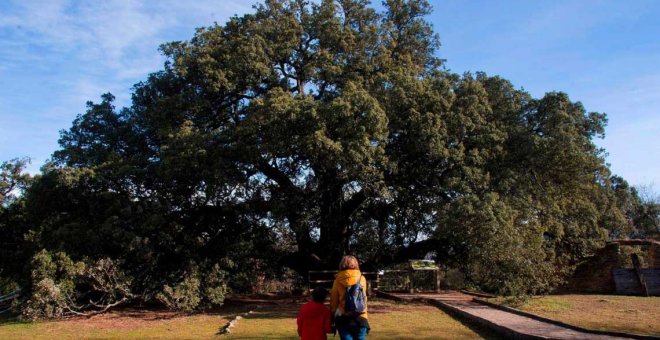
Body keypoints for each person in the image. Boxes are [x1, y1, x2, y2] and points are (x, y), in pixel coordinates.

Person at [330, 255, 370, 340]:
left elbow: (334, 300)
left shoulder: (337, 280)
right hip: (360, 317)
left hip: (343, 317)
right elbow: (364, 297)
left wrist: (333, 315)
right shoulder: (362, 278)